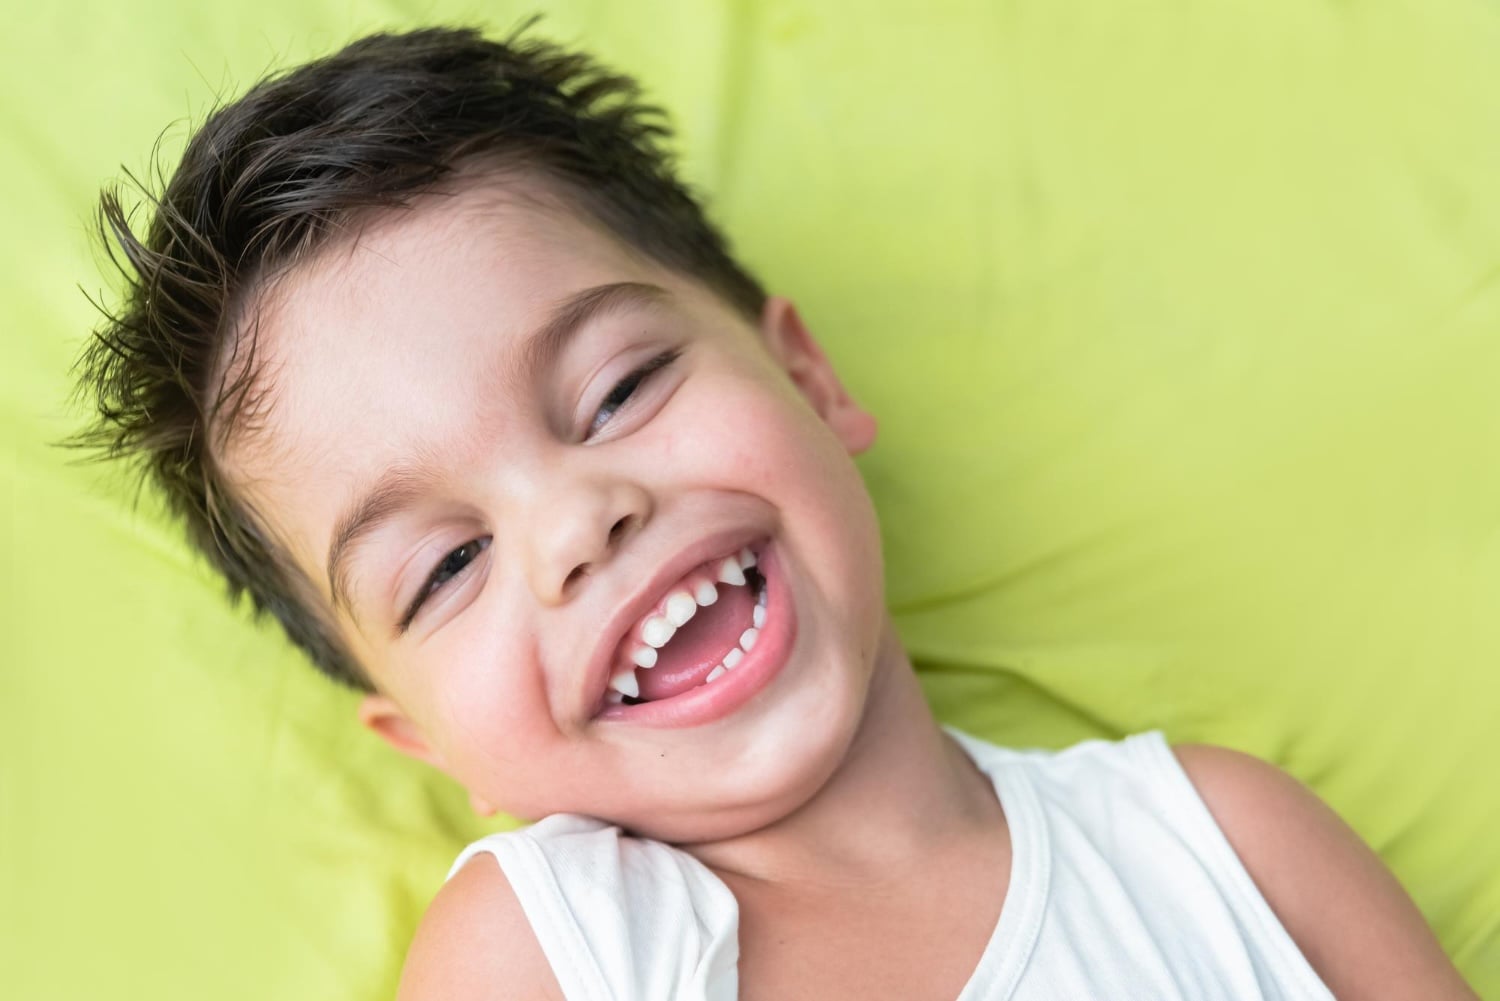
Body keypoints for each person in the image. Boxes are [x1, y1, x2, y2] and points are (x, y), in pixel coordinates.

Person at [68, 23, 1477, 1001]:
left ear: (805, 373)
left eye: (616, 390)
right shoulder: (555, 952)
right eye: (448, 564)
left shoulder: (1226, 844)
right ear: (428, 743)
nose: (580, 524)